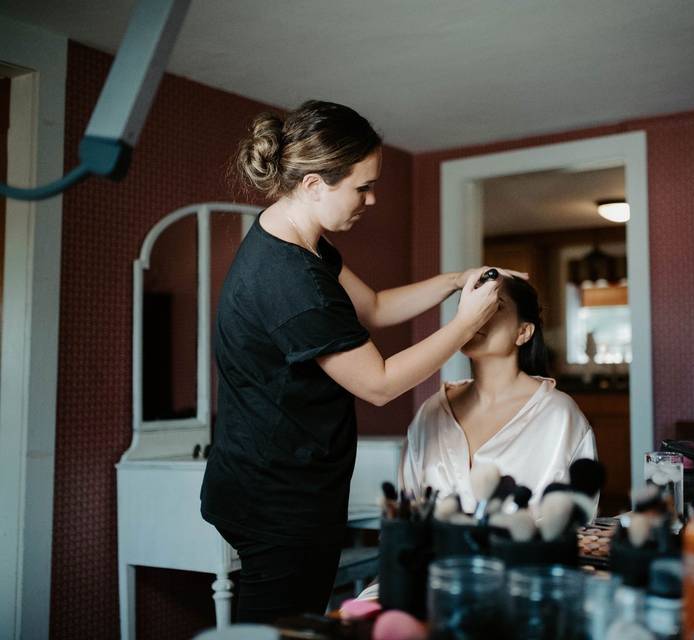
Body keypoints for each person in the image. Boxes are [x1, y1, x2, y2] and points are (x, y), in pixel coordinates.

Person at [200, 100, 521, 623]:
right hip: (275, 498)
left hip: (282, 482)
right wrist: (465, 322)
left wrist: (455, 281)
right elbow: (378, 383)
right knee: (281, 630)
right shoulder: (291, 282)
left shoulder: (300, 243)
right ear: (312, 185)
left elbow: (372, 306)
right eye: (362, 187)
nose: (371, 200)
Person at [399, 275, 597, 513]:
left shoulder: (560, 416)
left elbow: (580, 520)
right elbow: (405, 516)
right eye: (470, 304)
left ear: (523, 332)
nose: (476, 316)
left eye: (494, 305)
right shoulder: (431, 412)